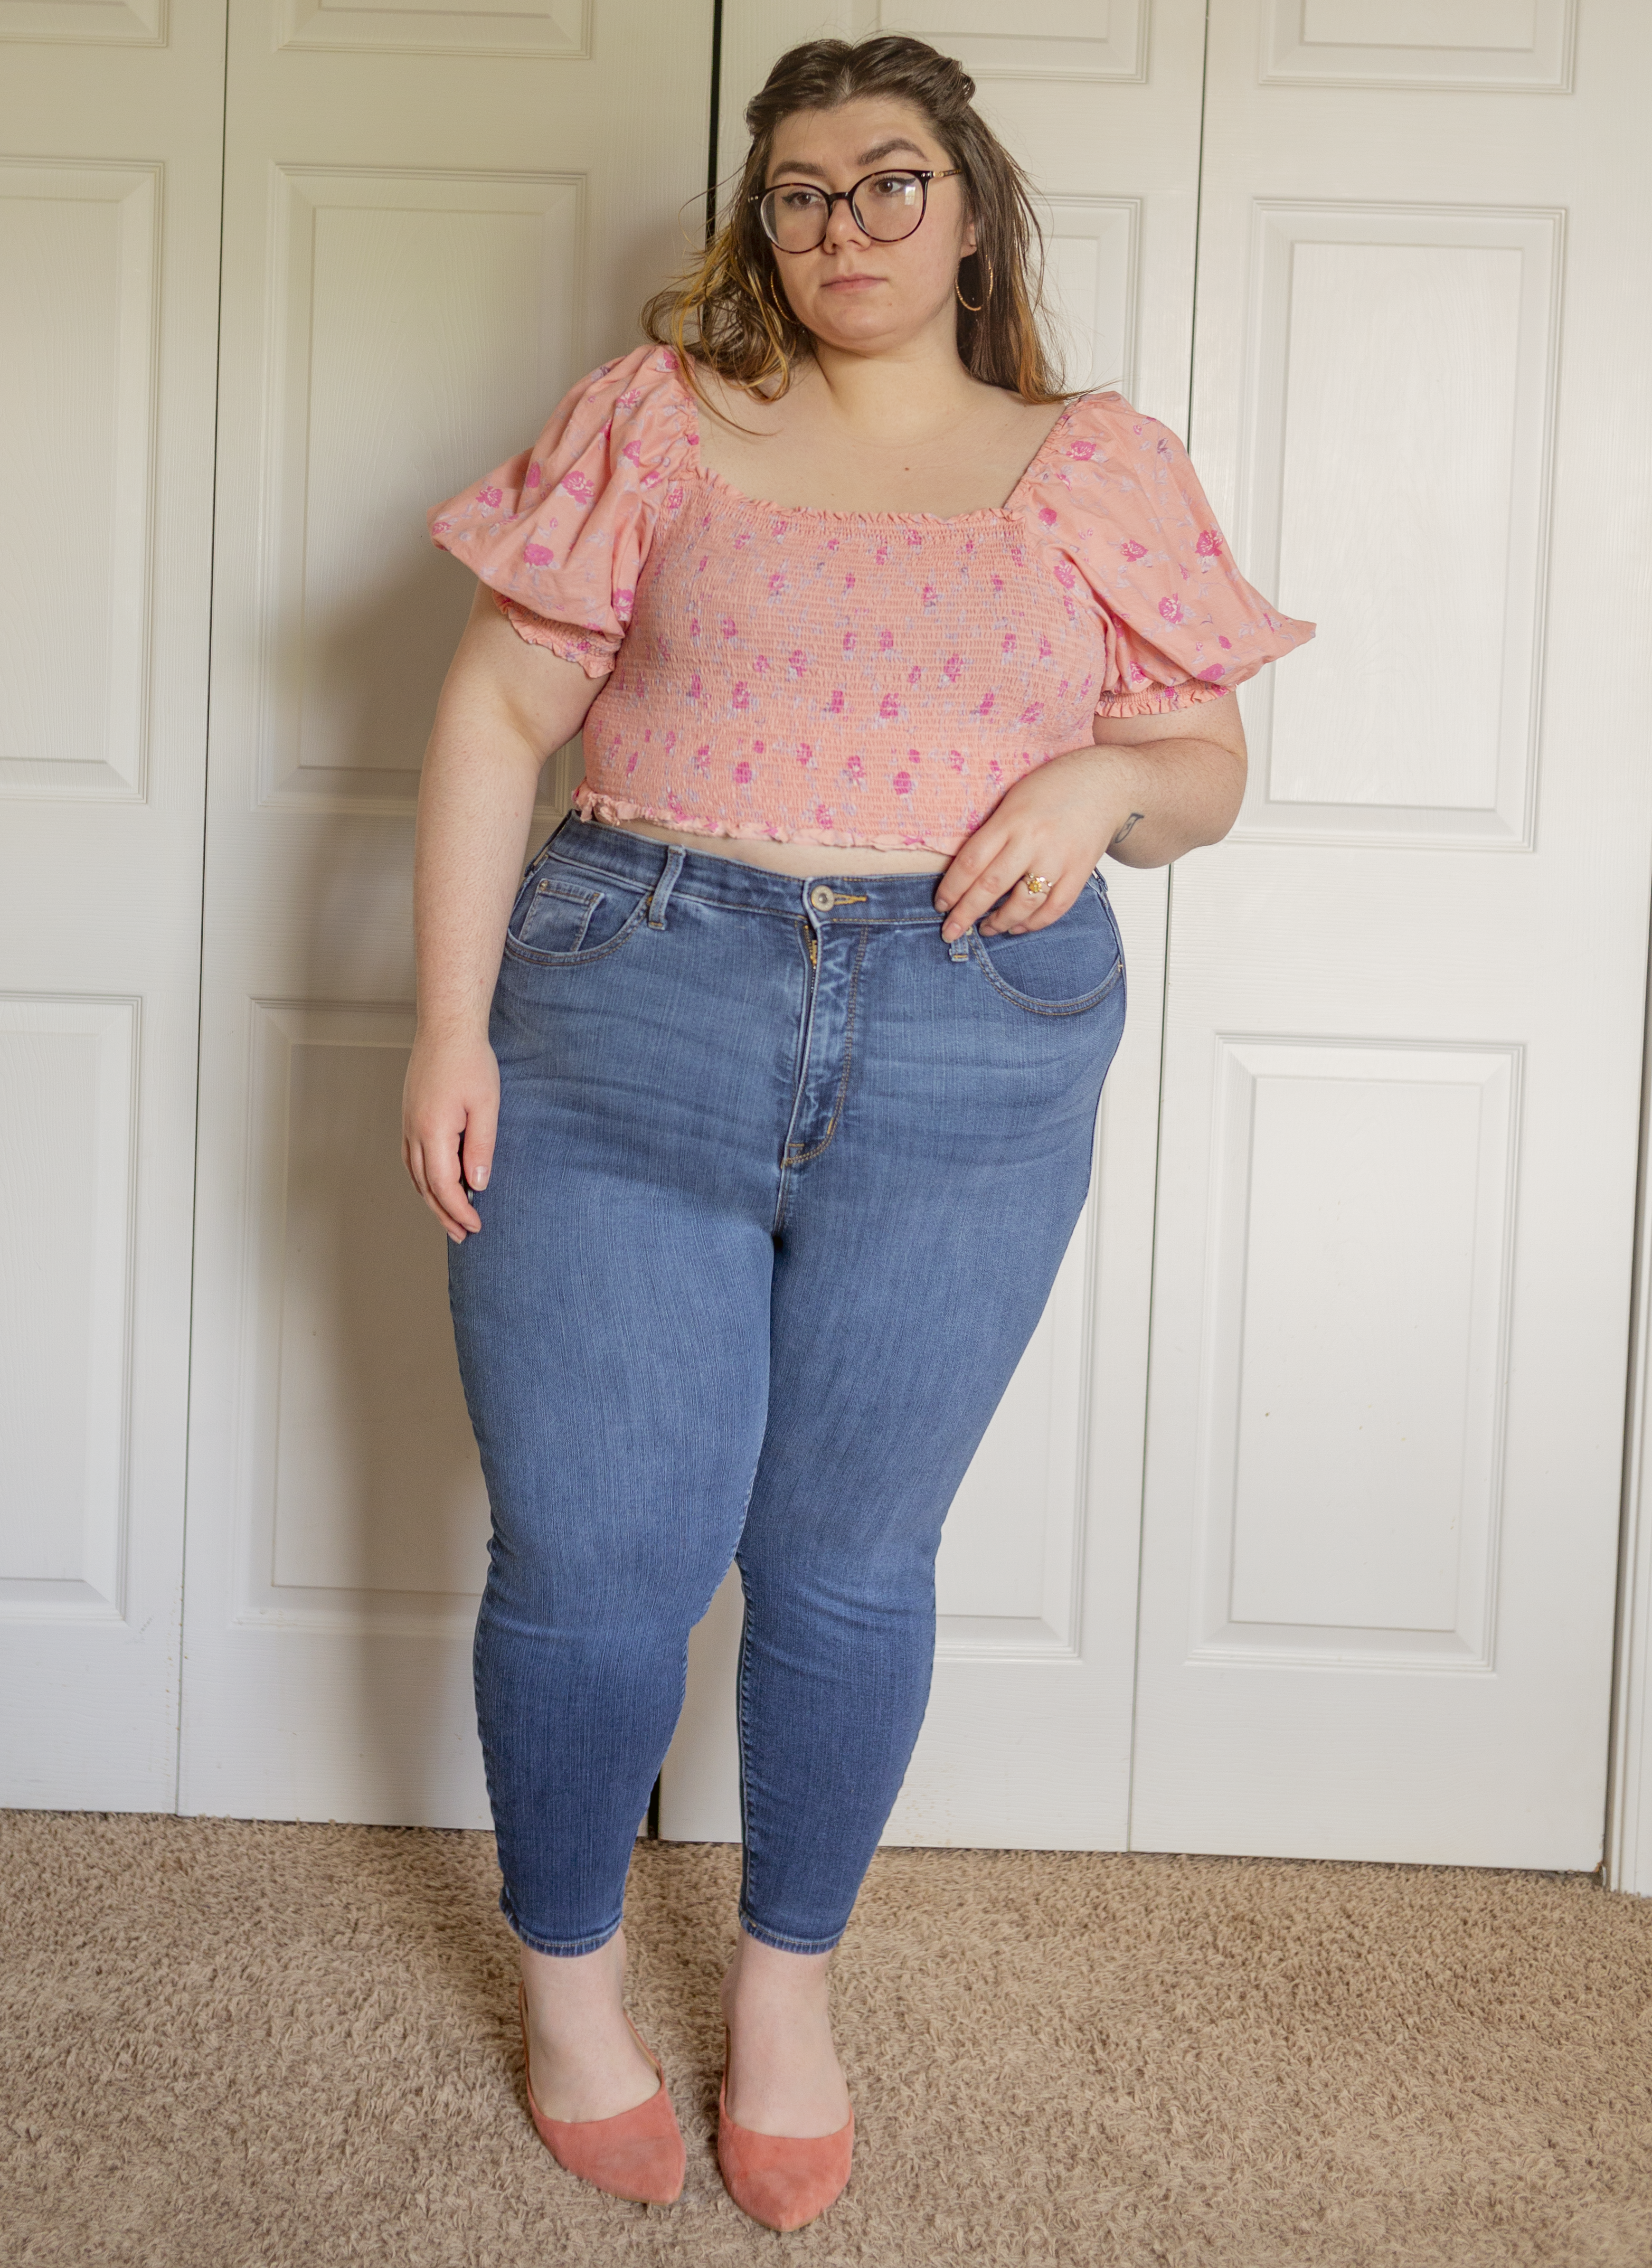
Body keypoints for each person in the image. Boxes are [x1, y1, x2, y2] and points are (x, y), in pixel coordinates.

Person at [409, 31, 1313, 2231]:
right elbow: (493, 708)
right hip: (630, 1017)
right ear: (760, 222)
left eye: (888, 182)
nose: (844, 230)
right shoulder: (658, 422)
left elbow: (1198, 773)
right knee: (596, 1562)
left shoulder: (1090, 460)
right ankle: (570, 1993)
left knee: (839, 1566)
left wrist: (1109, 783)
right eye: (801, 193)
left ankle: (789, 1997)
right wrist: (444, 1031)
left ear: (970, 204)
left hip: (973, 1042)